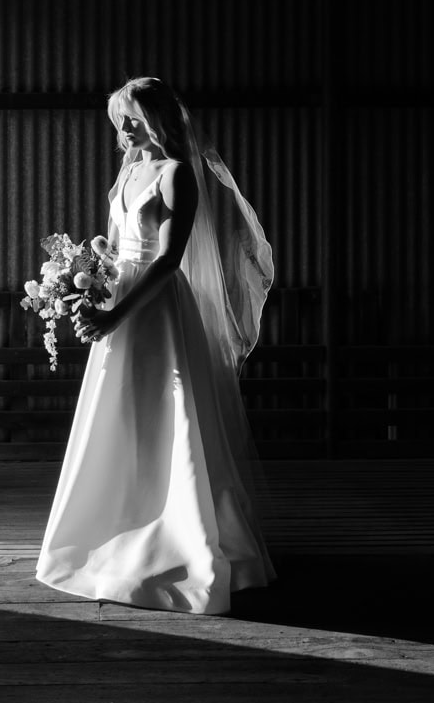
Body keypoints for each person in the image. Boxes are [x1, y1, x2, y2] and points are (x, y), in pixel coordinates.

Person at [38, 77, 276, 613]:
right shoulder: (128, 172)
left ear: (159, 117)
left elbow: (167, 260)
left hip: (155, 307)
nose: (123, 128)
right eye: (119, 118)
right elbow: (114, 243)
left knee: (171, 417)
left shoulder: (177, 174)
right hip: (118, 296)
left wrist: (118, 311)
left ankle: (181, 535)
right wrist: (84, 277)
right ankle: (115, 525)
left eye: (133, 117)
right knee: (119, 415)